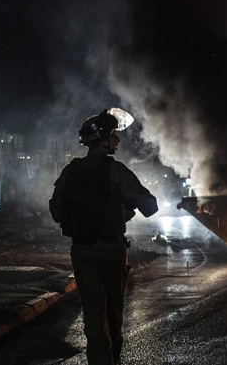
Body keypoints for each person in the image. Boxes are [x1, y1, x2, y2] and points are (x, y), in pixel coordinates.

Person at [49, 109, 158, 364]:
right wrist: (122, 211)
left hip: (82, 252)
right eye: (113, 135)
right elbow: (150, 206)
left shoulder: (70, 171)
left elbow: (56, 212)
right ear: (102, 139)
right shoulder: (116, 170)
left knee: (94, 318)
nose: (117, 140)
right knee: (113, 315)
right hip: (111, 251)